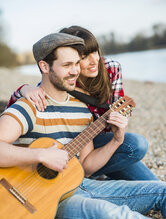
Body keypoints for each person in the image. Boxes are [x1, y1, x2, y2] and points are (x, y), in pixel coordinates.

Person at [0, 32, 166, 219]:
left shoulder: (82, 111)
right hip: (43, 204)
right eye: (67, 64)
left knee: (161, 191)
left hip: (80, 185)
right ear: (44, 67)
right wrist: (40, 154)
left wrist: (116, 140)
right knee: (115, 217)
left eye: (77, 63)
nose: (75, 71)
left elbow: (86, 167)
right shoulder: (29, 106)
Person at [7, 26, 158, 181]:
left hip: (99, 139)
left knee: (139, 152)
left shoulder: (111, 68)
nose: (94, 61)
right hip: (71, 145)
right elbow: (26, 102)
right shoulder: (65, 78)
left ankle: (86, 178)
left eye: (95, 51)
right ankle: (86, 179)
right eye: (85, 56)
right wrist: (23, 89)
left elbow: (117, 114)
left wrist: (116, 123)